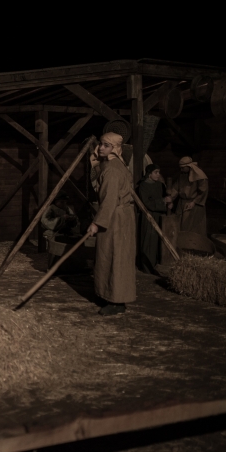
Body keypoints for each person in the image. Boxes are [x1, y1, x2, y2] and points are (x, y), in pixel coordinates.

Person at [87, 133, 136, 316]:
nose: (100, 148)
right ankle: (111, 295)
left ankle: (116, 301)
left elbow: (109, 199)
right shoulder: (113, 166)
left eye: (106, 145)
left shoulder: (113, 170)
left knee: (115, 257)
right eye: (100, 144)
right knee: (111, 256)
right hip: (119, 216)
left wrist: (96, 223)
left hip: (115, 218)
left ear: (114, 149)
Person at [137, 164, 172, 274]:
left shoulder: (160, 185)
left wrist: (169, 204)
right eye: (156, 172)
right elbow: (146, 203)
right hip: (149, 216)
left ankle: (156, 265)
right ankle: (147, 267)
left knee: (157, 242)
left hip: (160, 217)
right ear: (149, 174)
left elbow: (167, 198)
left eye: (159, 172)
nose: (158, 175)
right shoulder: (143, 186)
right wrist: (163, 201)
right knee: (148, 241)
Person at [168, 156, 208, 236]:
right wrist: (170, 198)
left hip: (193, 204)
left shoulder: (200, 177)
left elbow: (203, 192)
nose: (181, 170)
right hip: (182, 203)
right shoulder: (182, 175)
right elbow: (175, 188)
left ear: (189, 166)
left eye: (183, 168)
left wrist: (194, 202)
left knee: (191, 227)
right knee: (180, 224)